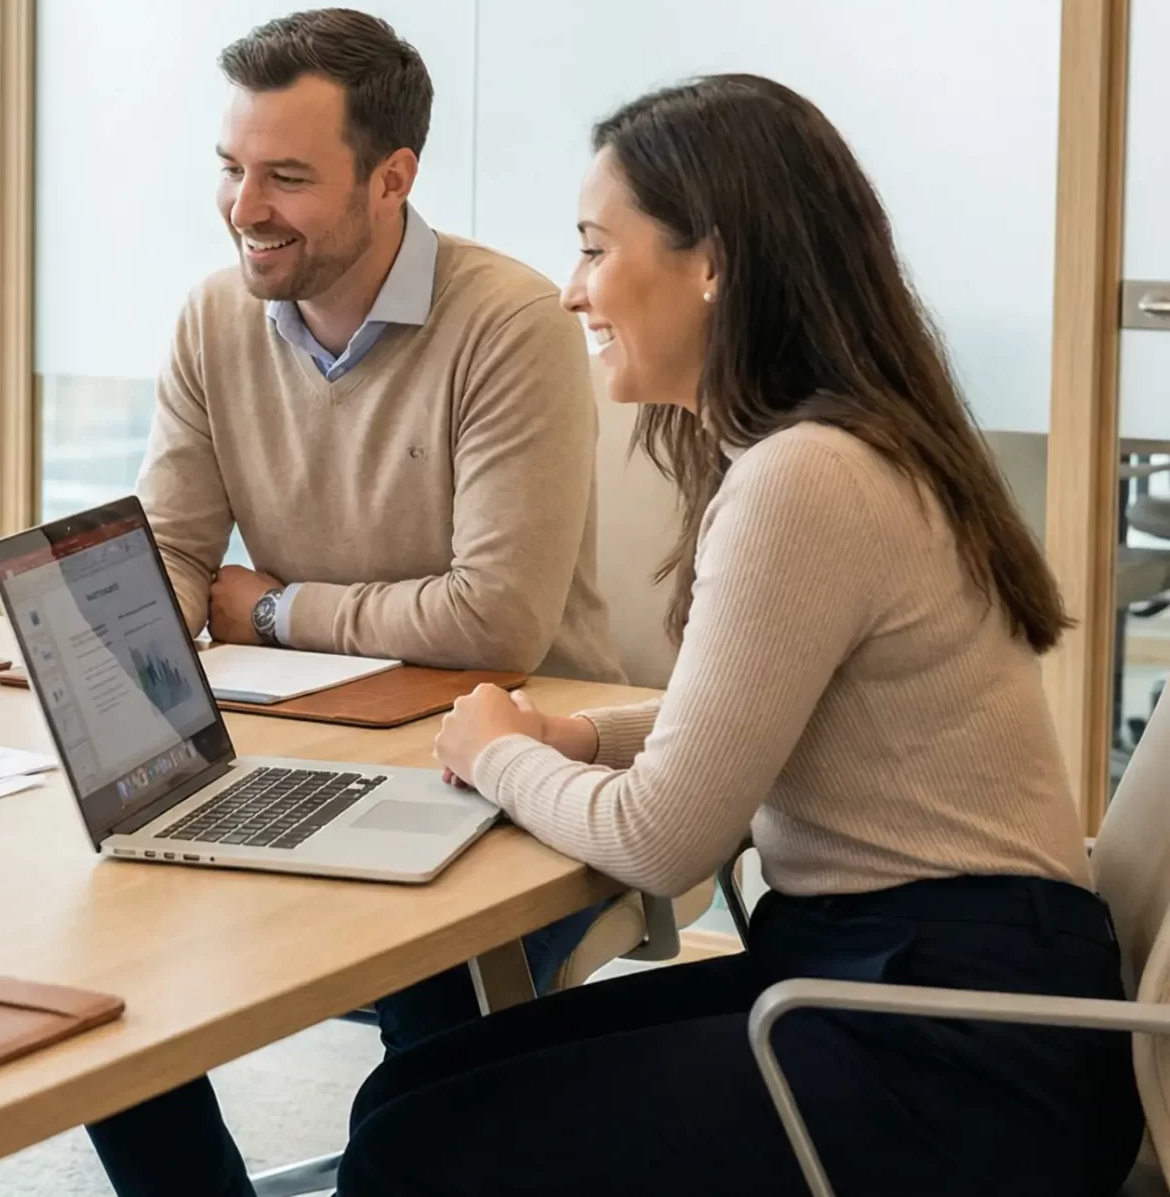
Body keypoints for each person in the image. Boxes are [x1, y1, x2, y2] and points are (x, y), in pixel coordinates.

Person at [341, 74, 1143, 1194]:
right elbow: (770, 708)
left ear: (709, 264)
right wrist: (594, 739)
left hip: (949, 1049)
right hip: (945, 992)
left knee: (412, 1144)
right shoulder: (847, 444)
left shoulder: (802, 478)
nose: (571, 292)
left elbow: (663, 842)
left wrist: (497, 753)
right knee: (406, 1092)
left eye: (591, 248)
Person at [84, 8, 625, 1196]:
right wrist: (141, 647)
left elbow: (493, 622)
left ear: (392, 179)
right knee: (96, 967)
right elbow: (171, 551)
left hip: (499, 770)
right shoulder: (213, 317)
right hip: (291, 744)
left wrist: (271, 610)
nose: (243, 207)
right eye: (230, 169)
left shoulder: (509, 322)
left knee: (425, 1067)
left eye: (285, 176)